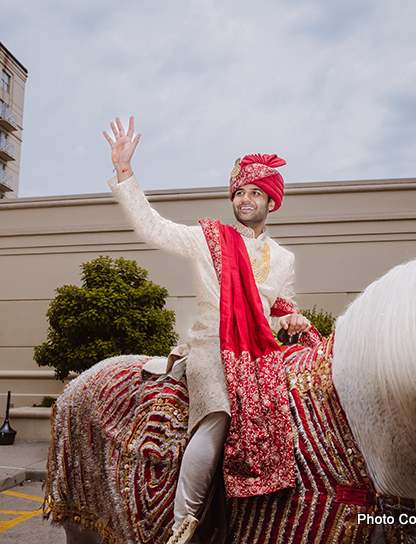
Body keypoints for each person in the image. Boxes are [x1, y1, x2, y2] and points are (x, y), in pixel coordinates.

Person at [104, 117, 312, 544]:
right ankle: (184, 527)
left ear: (272, 201)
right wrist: (125, 172)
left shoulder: (285, 258)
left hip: (261, 354)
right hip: (211, 348)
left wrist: (294, 319)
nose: (246, 198)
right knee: (218, 415)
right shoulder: (209, 239)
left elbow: (278, 310)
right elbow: (153, 229)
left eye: (256, 192)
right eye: (239, 192)